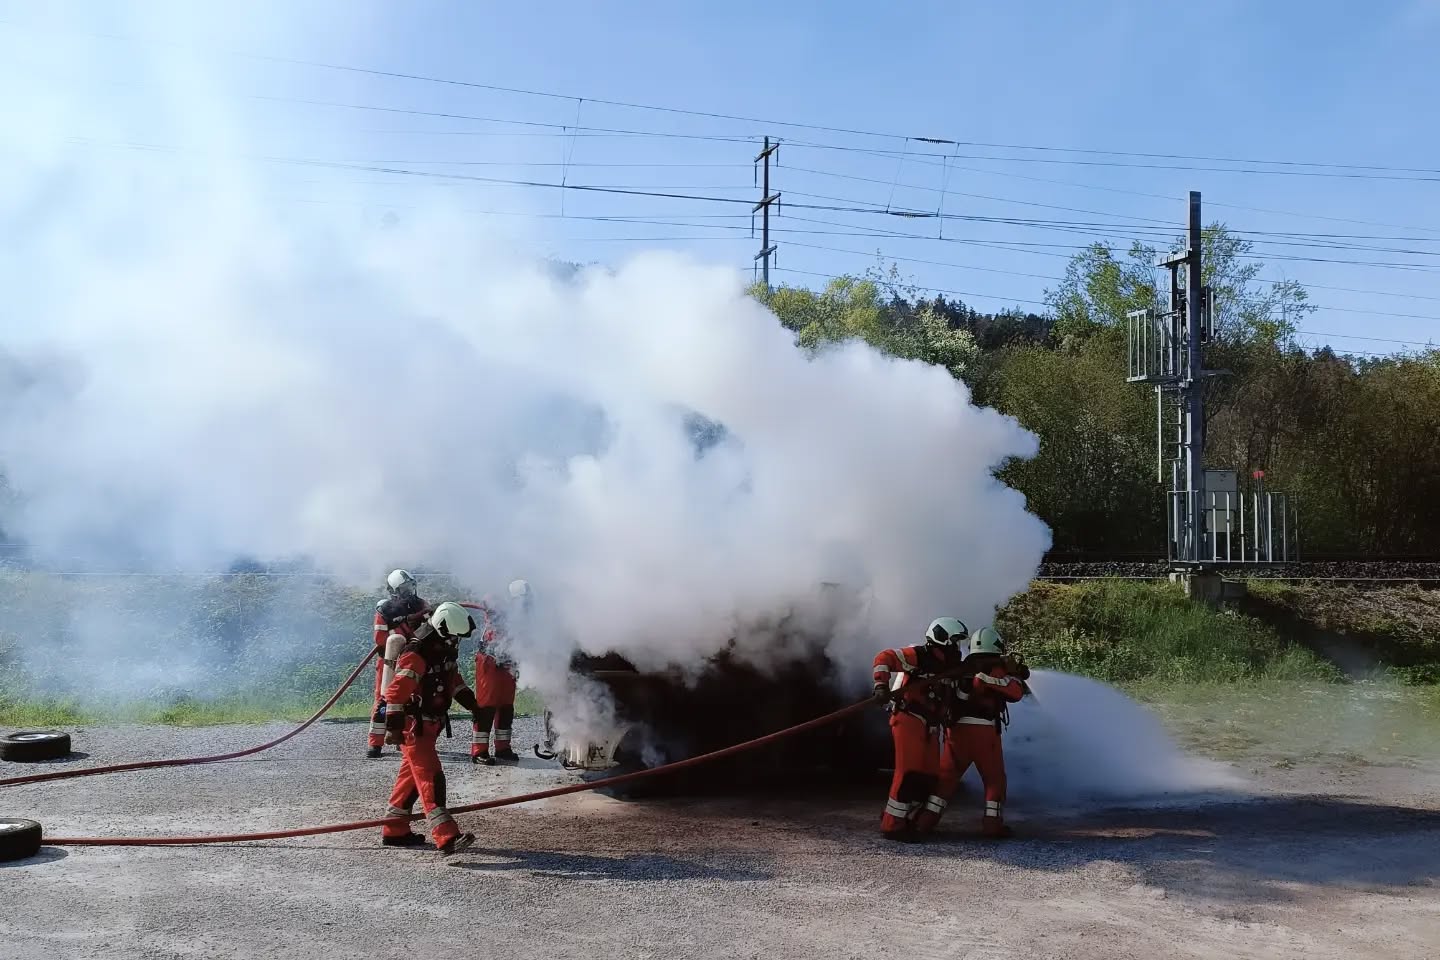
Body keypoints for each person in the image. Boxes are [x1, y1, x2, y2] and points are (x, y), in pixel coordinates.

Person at [379, 601, 483, 855]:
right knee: (431, 779)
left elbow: (452, 680)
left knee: (411, 781)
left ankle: (394, 830)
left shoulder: (441, 650)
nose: (456, 642)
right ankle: (446, 836)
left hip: (429, 726)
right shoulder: (417, 654)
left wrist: (473, 704)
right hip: (414, 728)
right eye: (453, 637)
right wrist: (392, 729)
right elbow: (395, 694)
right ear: (441, 629)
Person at [915, 625, 1029, 839]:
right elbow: (1014, 693)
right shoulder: (993, 668)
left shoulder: (960, 667)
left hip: (955, 732)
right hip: (983, 732)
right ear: (996, 646)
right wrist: (1011, 677)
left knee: (946, 781)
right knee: (995, 780)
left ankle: (924, 823)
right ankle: (992, 826)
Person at [871, 617, 968, 842]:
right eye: (954, 642)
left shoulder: (951, 667)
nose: (957, 648)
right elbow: (883, 658)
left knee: (929, 776)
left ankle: (903, 818)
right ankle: (892, 826)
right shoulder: (918, 655)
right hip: (909, 718)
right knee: (909, 772)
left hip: (931, 724)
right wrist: (880, 686)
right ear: (941, 638)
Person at [367, 569, 430, 759]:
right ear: (394, 590)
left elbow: (429, 630)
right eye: (404, 589)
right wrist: (401, 635)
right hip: (389, 661)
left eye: (410, 587)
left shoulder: (422, 605)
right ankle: (375, 744)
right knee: (383, 700)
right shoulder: (384, 610)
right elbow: (380, 639)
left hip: (413, 659)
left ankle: (402, 739)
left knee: (411, 699)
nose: (409, 592)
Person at [471, 579, 528, 766]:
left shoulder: (520, 613)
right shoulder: (497, 605)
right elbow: (488, 600)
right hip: (490, 662)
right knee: (486, 707)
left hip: (508, 662)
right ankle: (480, 751)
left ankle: (503, 748)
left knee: (506, 707)